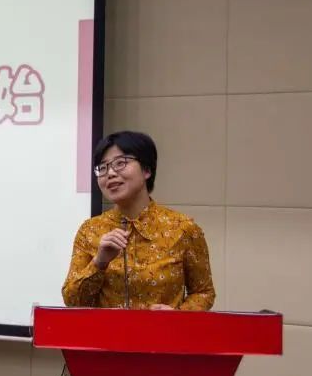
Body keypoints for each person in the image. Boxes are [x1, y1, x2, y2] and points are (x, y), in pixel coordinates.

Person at [62, 131, 215, 310]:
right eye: (102, 168)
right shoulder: (90, 230)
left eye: (120, 163)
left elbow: (204, 292)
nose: (110, 173)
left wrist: (179, 316)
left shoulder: (182, 228)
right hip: (107, 329)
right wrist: (99, 262)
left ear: (146, 170)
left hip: (163, 329)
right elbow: (72, 301)